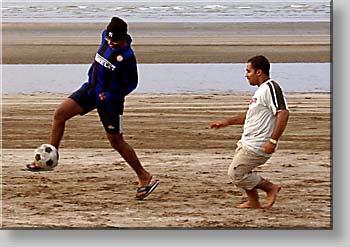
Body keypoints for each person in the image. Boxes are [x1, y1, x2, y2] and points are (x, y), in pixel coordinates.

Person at [27, 16, 159, 200]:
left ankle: (144, 176)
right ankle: (51, 157)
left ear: (123, 38)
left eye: (115, 41)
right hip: (90, 91)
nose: (111, 43)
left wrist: (111, 95)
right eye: (109, 40)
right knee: (60, 115)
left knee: (116, 142)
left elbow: (132, 83)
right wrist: (95, 88)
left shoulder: (127, 56)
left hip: (110, 102)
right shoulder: (105, 36)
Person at [210, 55, 289, 209]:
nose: (246, 75)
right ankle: (253, 201)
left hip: (259, 144)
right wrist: (227, 122)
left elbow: (283, 113)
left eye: (248, 71)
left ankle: (270, 188)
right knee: (244, 170)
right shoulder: (260, 91)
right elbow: (251, 116)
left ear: (259, 72)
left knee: (236, 173)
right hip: (248, 141)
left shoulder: (271, 88)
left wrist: (273, 140)